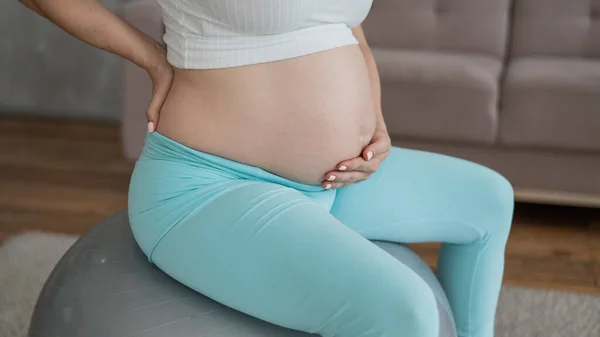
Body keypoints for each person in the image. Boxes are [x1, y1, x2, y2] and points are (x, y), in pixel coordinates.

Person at [19, 1, 514, 336]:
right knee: (402, 309)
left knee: (487, 199)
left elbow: (345, 26)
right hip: (209, 187)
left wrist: (373, 119)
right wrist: (149, 56)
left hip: (332, 181)